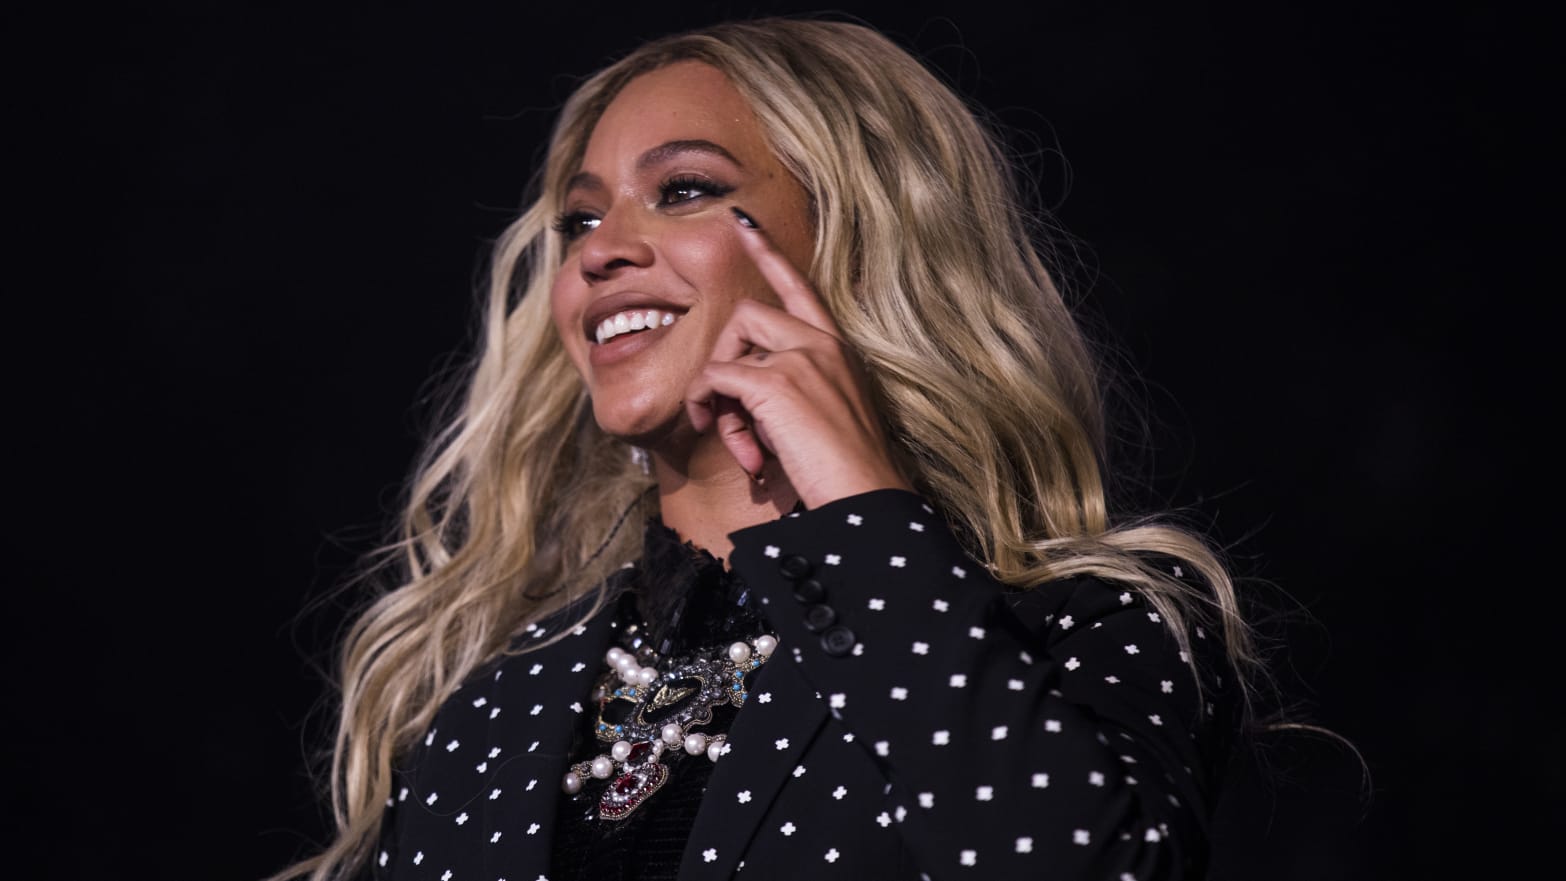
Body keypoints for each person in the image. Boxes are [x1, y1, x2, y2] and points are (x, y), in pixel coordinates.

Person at [272, 16, 1279, 881]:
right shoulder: (499, 700)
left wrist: (861, 514)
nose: (599, 248)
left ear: (858, 236)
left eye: (683, 190)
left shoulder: (1082, 627)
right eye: (582, 216)